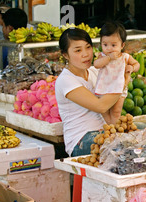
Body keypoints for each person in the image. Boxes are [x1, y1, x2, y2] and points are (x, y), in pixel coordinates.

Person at [55, 28, 131, 157]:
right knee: (124, 148)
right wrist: (123, 83)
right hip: (81, 140)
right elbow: (100, 106)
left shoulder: (96, 72)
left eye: (88, 47)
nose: (86, 54)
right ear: (65, 55)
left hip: (105, 131)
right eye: (78, 50)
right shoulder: (65, 80)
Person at [93, 21, 139, 108]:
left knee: (117, 110)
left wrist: (132, 67)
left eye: (113, 45)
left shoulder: (125, 57)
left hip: (120, 88)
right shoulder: (102, 56)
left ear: (122, 45)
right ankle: (108, 122)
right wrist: (108, 58)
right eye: (105, 45)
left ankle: (115, 122)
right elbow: (96, 64)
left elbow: (137, 64)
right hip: (105, 88)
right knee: (105, 110)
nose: (109, 48)